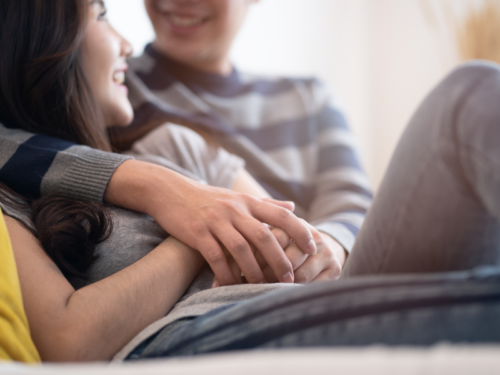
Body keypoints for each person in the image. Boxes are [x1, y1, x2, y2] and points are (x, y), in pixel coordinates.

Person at [3, 0, 500, 364]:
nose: (129, 40)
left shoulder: (175, 139)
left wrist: (320, 242)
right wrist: (194, 230)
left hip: (316, 284)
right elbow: (68, 340)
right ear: (48, 47)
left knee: (471, 92)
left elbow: (312, 222)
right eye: (104, 13)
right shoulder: (133, 89)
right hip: (202, 325)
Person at [0, 0, 372, 285]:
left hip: (325, 267)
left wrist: (327, 244)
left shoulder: (309, 96)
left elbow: (354, 202)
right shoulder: (113, 86)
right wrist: (154, 186)